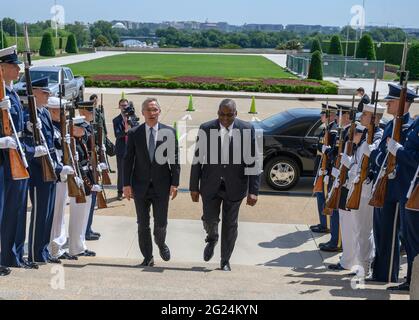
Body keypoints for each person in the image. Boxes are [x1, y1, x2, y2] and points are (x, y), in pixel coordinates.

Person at [189, 99, 261, 272]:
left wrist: (254, 191)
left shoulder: (246, 129)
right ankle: (212, 237)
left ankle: (225, 260)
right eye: (222, 114)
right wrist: (193, 186)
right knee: (209, 219)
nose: (226, 118)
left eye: (229, 115)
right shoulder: (206, 128)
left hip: (235, 185)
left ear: (236, 113)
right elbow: (198, 159)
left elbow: (253, 161)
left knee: (230, 225)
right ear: (217, 113)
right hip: (210, 184)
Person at [369, 83, 417, 283]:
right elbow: (379, 153)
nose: (387, 105)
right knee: (381, 230)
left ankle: (389, 273)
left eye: (392, 101)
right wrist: (380, 159)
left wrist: (395, 152)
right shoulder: (390, 124)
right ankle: (381, 272)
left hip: (401, 186)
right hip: (384, 185)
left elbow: (409, 159)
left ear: (404, 102)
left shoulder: (409, 126)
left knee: (393, 234)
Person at [123, 98, 180, 267]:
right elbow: (128, 160)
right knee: (143, 224)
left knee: (160, 224)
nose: (152, 113)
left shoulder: (168, 132)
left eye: (155, 110)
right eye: (148, 110)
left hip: (162, 186)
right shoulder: (134, 133)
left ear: (159, 112)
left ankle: (161, 244)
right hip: (140, 186)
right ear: (143, 113)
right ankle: (147, 257)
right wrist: (126, 185)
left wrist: (175, 183)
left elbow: (175, 160)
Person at [329, 103, 385, 274]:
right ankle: (360, 263)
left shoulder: (378, 136)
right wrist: (346, 165)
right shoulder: (368, 135)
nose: (361, 118)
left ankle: (365, 266)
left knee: (364, 230)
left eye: (365, 115)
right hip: (356, 187)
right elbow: (358, 162)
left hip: (365, 190)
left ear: (374, 118)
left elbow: (371, 162)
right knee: (358, 229)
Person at [0, 46, 36, 269]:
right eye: (14, 66)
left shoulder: (11, 92)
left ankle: (10, 255)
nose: (18, 69)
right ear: (2, 68)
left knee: (15, 209)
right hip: (2, 158)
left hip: (15, 154)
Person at [24, 77, 64, 264]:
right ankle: (34, 253)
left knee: (48, 215)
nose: (48, 95)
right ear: (35, 93)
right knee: (40, 214)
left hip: (50, 170)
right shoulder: (29, 114)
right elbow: (28, 144)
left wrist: (58, 166)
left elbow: (50, 145)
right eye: (45, 93)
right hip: (38, 172)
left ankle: (44, 251)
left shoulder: (45, 114)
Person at [386, 116, 419, 291]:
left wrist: (398, 151)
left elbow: (416, 158)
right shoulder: (417, 120)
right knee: (409, 238)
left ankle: (414, 282)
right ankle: (412, 280)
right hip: (408, 188)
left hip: (415, 191)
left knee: (414, 239)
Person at [47, 97, 79, 261]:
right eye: (62, 111)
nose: (64, 114)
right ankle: (52, 247)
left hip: (63, 174)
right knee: (55, 213)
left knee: (60, 213)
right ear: (53, 111)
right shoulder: (50, 127)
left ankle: (58, 246)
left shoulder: (60, 127)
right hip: (57, 174)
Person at [319, 104, 352, 253]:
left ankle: (337, 242)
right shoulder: (342, 131)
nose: (337, 117)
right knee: (333, 208)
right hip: (335, 173)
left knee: (337, 210)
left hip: (341, 176)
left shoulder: (349, 132)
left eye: (340, 115)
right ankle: (334, 239)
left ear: (346, 116)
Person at [68, 116, 98, 258]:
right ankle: (74, 247)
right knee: (78, 217)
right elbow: (76, 163)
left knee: (84, 217)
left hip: (85, 179)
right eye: (82, 129)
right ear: (74, 128)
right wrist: (87, 182)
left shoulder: (81, 141)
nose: (85, 132)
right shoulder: (72, 143)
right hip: (79, 181)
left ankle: (81, 246)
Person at [310, 103, 338, 234]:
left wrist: (326, 170)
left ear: (331, 115)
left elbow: (331, 153)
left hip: (325, 168)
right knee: (320, 196)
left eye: (323, 114)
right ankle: (323, 223)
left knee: (324, 196)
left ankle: (325, 225)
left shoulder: (333, 131)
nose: (321, 116)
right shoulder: (326, 128)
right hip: (320, 166)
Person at [78, 103, 103, 241]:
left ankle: (88, 228)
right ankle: (85, 230)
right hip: (87, 169)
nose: (93, 113)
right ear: (83, 111)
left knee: (92, 201)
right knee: (89, 200)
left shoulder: (89, 126)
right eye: (90, 110)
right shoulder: (81, 127)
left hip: (93, 167)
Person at [113, 98, 130, 201]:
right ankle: (120, 192)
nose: (124, 107)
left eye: (126, 105)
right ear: (119, 107)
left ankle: (130, 191)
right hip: (121, 149)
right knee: (121, 172)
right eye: (122, 105)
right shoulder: (116, 120)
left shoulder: (132, 118)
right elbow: (117, 134)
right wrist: (127, 131)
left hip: (132, 149)